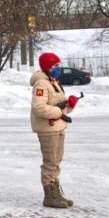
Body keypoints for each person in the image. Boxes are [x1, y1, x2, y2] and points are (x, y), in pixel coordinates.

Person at [29, 52, 80, 208]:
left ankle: (55, 192)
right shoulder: (42, 84)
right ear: (47, 66)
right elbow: (39, 108)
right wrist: (58, 112)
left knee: (56, 161)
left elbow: (60, 107)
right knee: (50, 162)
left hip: (58, 127)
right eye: (55, 65)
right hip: (47, 129)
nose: (59, 68)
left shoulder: (54, 82)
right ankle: (50, 196)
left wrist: (70, 104)